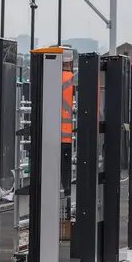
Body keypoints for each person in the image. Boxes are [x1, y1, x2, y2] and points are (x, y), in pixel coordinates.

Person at [60, 50, 75, 195]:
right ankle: (66, 191)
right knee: (66, 169)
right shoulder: (72, 79)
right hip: (68, 134)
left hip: (52, 133)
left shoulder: (52, 78)